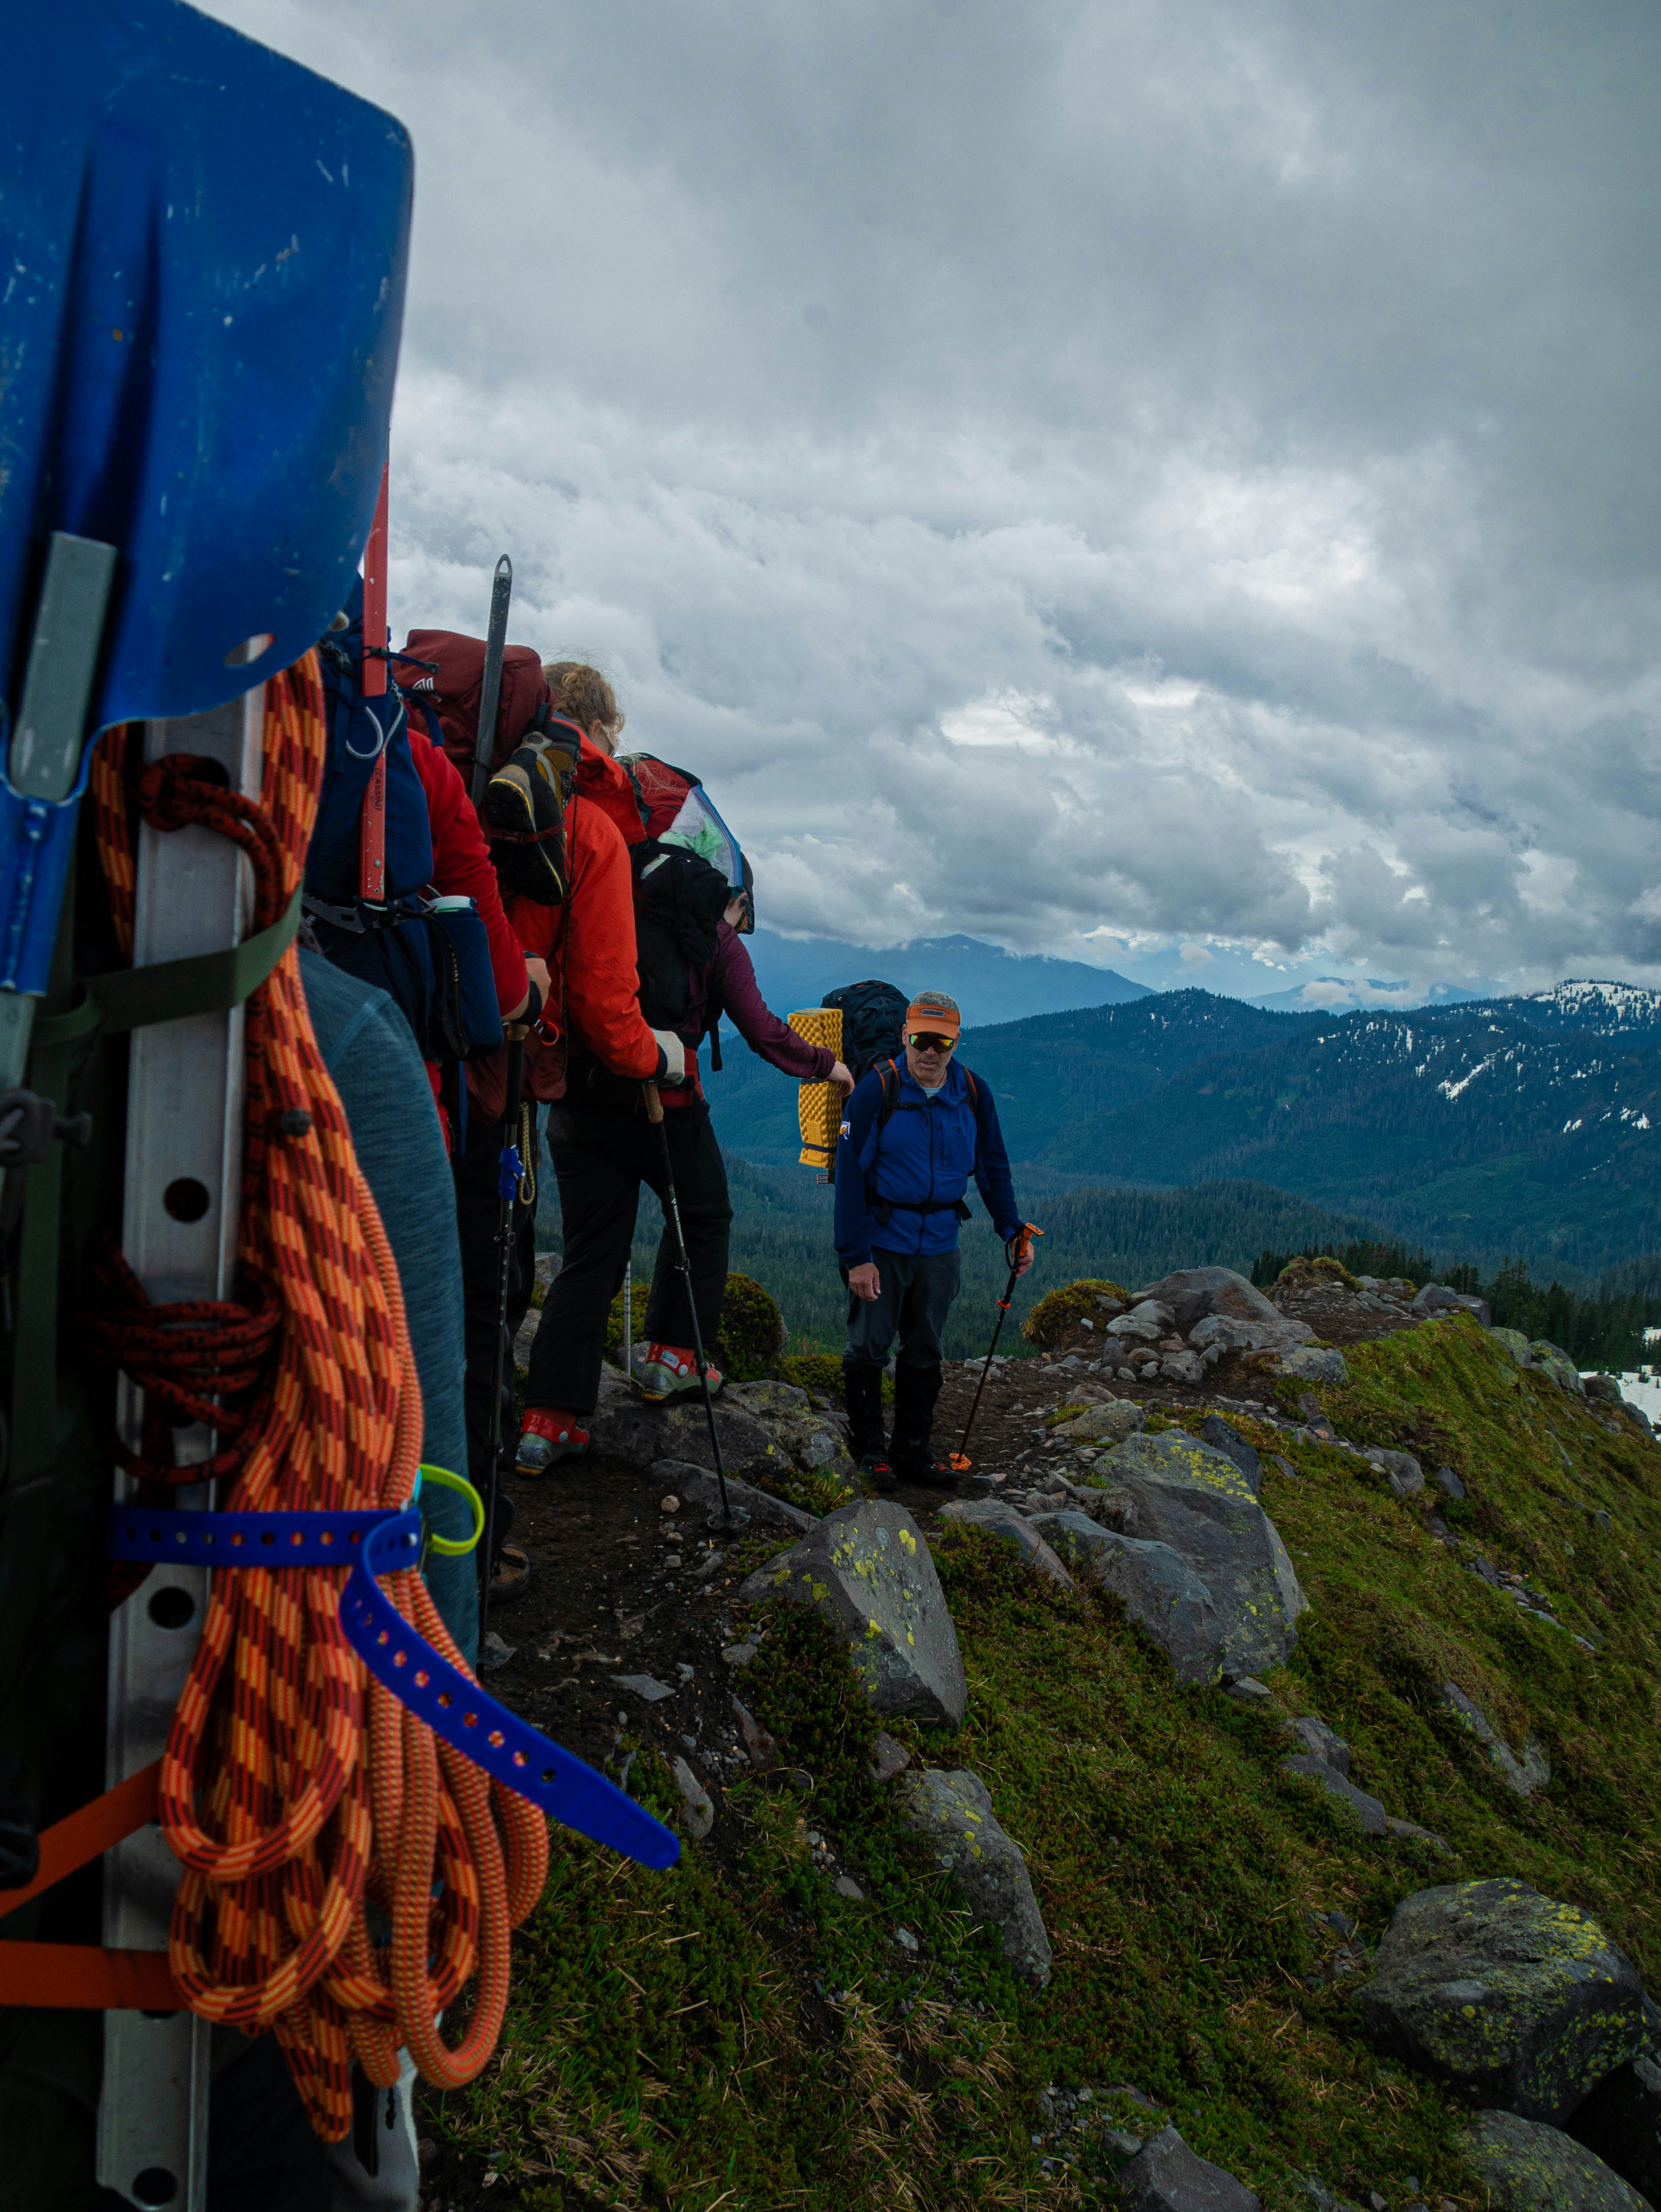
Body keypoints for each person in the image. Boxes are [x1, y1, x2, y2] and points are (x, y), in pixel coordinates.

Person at [507, 667, 853, 1470]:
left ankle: (547, 1420)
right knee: (701, 1214)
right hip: (662, 1092)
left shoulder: (573, 862)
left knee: (593, 1250)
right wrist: (828, 1067)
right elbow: (763, 1029)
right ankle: (672, 1355)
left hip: (575, 1092)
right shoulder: (707, 928)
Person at [834, 990, 1032, 1487]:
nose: (930, 1051)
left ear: (955, 1042)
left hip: (941, 1244)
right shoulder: (875, 1091)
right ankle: (870, 1451)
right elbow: (851, 1179)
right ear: (905, 1034)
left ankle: (912, 1453)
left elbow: (992, 1167)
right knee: (869, 1347)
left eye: (941, 1042)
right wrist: (857, 1256)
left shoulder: (971, 1091)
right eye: (921, 1038)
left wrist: (1011, 1229)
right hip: (882, 1241)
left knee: (925, 1350)